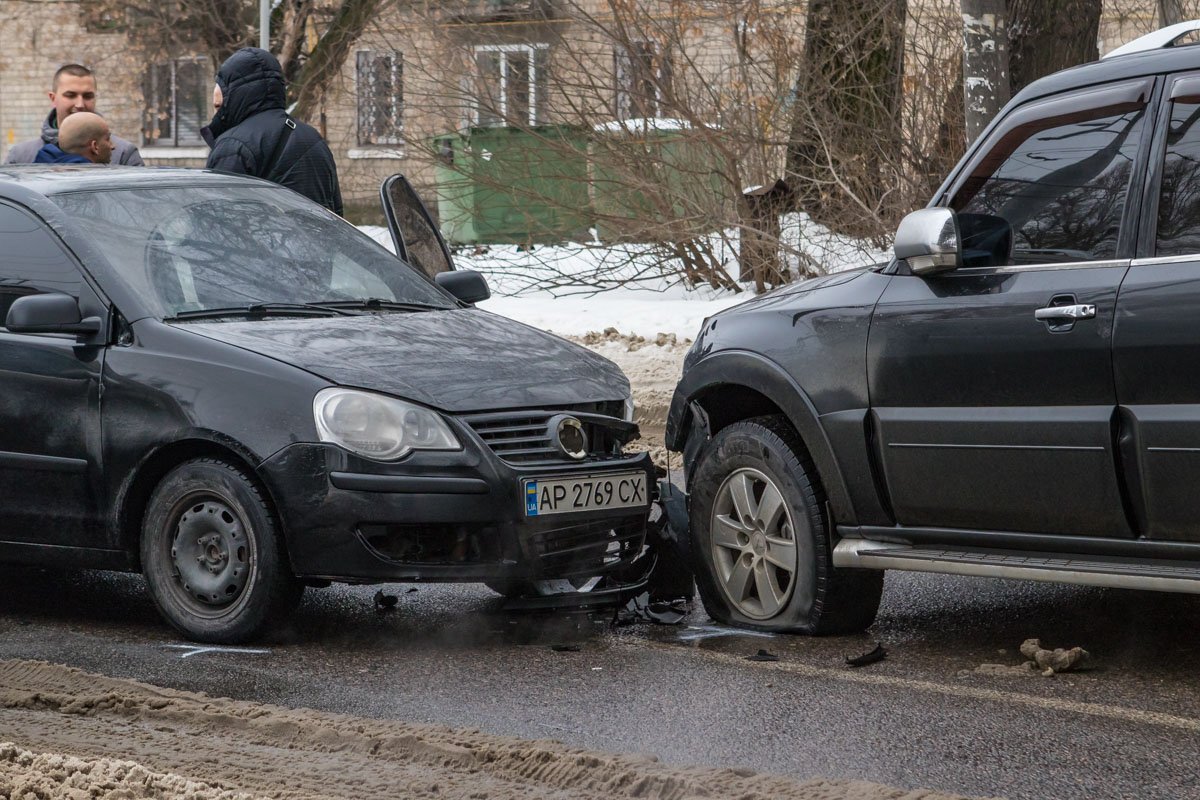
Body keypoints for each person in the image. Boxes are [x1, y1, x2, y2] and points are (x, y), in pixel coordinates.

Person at [202, 47, 343, 215]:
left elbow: (219, 218)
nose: (217, 114)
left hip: (264, 240)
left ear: (236, 96)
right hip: (318, 240)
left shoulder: (233, 145)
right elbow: (336, 211)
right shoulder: (313, 138)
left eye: (219, 105)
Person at [6, 64, 142, 165]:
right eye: (70, 95)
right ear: (53, 98)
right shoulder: (21, 157)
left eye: (88, 96)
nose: (80, 104)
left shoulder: (123, 153)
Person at [34, 112, 113, 165]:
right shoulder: (94, 184)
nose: (113, 146)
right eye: (107, 139)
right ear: (95, 146)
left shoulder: (34, 174)